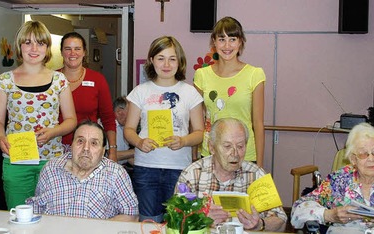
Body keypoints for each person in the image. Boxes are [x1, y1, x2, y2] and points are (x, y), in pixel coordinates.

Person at [0, 21, 77, 209]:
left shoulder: (59, 80)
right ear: (19, 46)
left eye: (40, 43)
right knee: (20, 215)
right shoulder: (5, 81)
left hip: (52, 161)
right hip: (17, 159)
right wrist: (0, 138)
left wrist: (53, 132)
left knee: (52, 218)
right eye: (28, 43)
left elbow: (71, 120)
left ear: (47, 48)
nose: (34, 48)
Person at [124, 36, 204, 222]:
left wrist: (184, 141)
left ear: (180, 61)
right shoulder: (140, 91)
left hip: (179, 169)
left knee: (178, 222)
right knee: (148, 221)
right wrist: (139, 142)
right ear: (151, 60)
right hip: (146, 168)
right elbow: (128, 129)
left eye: (172, 58)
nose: (166, 64)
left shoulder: (189, 92)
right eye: (160, 58)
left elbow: (200, 133)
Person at [291, 123, 374, 233]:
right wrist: (330, 215)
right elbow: (297, 212)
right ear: (353, 159)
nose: (371, 159)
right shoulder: (338, 180)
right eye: (363, 154)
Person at [176, 118, 287, 232]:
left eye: (240, 146)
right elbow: (174, 220)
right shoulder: (192, 174)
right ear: (211, 147)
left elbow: (281, 221)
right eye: (227, 146)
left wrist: (259, 224)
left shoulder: (256, 175)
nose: (235, 153)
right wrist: (200, 218)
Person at [25, 120, 138, 221]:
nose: (86, 148)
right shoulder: (51, 169)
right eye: (80, 141)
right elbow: (37, 208)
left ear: (103, 151)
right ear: (71, 145)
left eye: (94, 143)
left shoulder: (116, 173)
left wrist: (103, 228)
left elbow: (132, 215)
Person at [193, 16, 265, 166]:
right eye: (221, 39)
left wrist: (260, 165)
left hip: (244, 153)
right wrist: (193, 155)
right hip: (210, 152)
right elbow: (195, 122)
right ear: (214, 42)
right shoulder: (201, 75)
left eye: (232, 39)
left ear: (240, 42)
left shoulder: (254, 74)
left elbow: (258, 123)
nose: (227, 45)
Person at [58, 32, 117, 161]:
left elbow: (108, 119)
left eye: (77, 49)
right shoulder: (51, 79)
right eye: (68, 49)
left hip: (87, 149)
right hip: (55, 148)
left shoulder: (97, 80)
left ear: (84, 52)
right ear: (61, 52)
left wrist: (112, 150)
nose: (73, 53)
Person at [113, 96, 134, 165]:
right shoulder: (108, 128)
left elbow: (127, 157)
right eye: (131, 113)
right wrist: (138, 151)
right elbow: (112, 155)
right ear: (120, 112)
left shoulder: (124, 127)